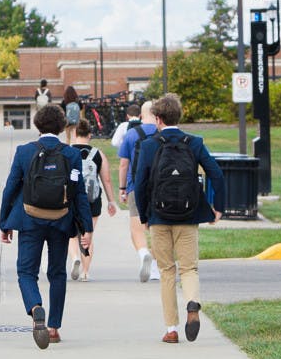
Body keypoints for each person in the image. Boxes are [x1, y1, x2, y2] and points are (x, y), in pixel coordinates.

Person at [133, 93, 225, 344]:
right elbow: (216, 173)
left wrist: (144, 215)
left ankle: (171, 329)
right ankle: (192, 304)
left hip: (159, 216)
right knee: (189, 268)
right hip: (188, 214)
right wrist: (218, 206)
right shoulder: (194, 142)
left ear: (158, 118)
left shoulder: (150, 145)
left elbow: (140, 183)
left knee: (166, 271)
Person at [0, 104, 93, 349]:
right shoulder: (71, 155)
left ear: (38, 125)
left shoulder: (24, 152)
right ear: (62, 127)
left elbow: (10, 188)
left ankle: (35, 306)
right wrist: (86, 228)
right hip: (60, 220)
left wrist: (5, 222)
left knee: (26, 272)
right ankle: (53, 327)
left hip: (29, 219)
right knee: (57, 273)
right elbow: (78, 192)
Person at [68, 118, 117, 281]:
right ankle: (86, 272)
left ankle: (75, 257)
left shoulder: (67, 152)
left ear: (75, 134)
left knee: (72, 235)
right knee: (87, 234)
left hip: (72, 198)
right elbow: (107, 180)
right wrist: (111, 201)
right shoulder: (98, 154)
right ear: (90, 135)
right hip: (92, 200)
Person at [118, 100, 160, 283]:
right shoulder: (161, 133)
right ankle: (157, 269)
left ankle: (143, 253)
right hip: (160, 188)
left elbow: (123, 164)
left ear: (141, 116)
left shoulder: (131, 134)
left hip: (136, 186)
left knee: (137, 228)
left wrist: (122, 188)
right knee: (157, 229)